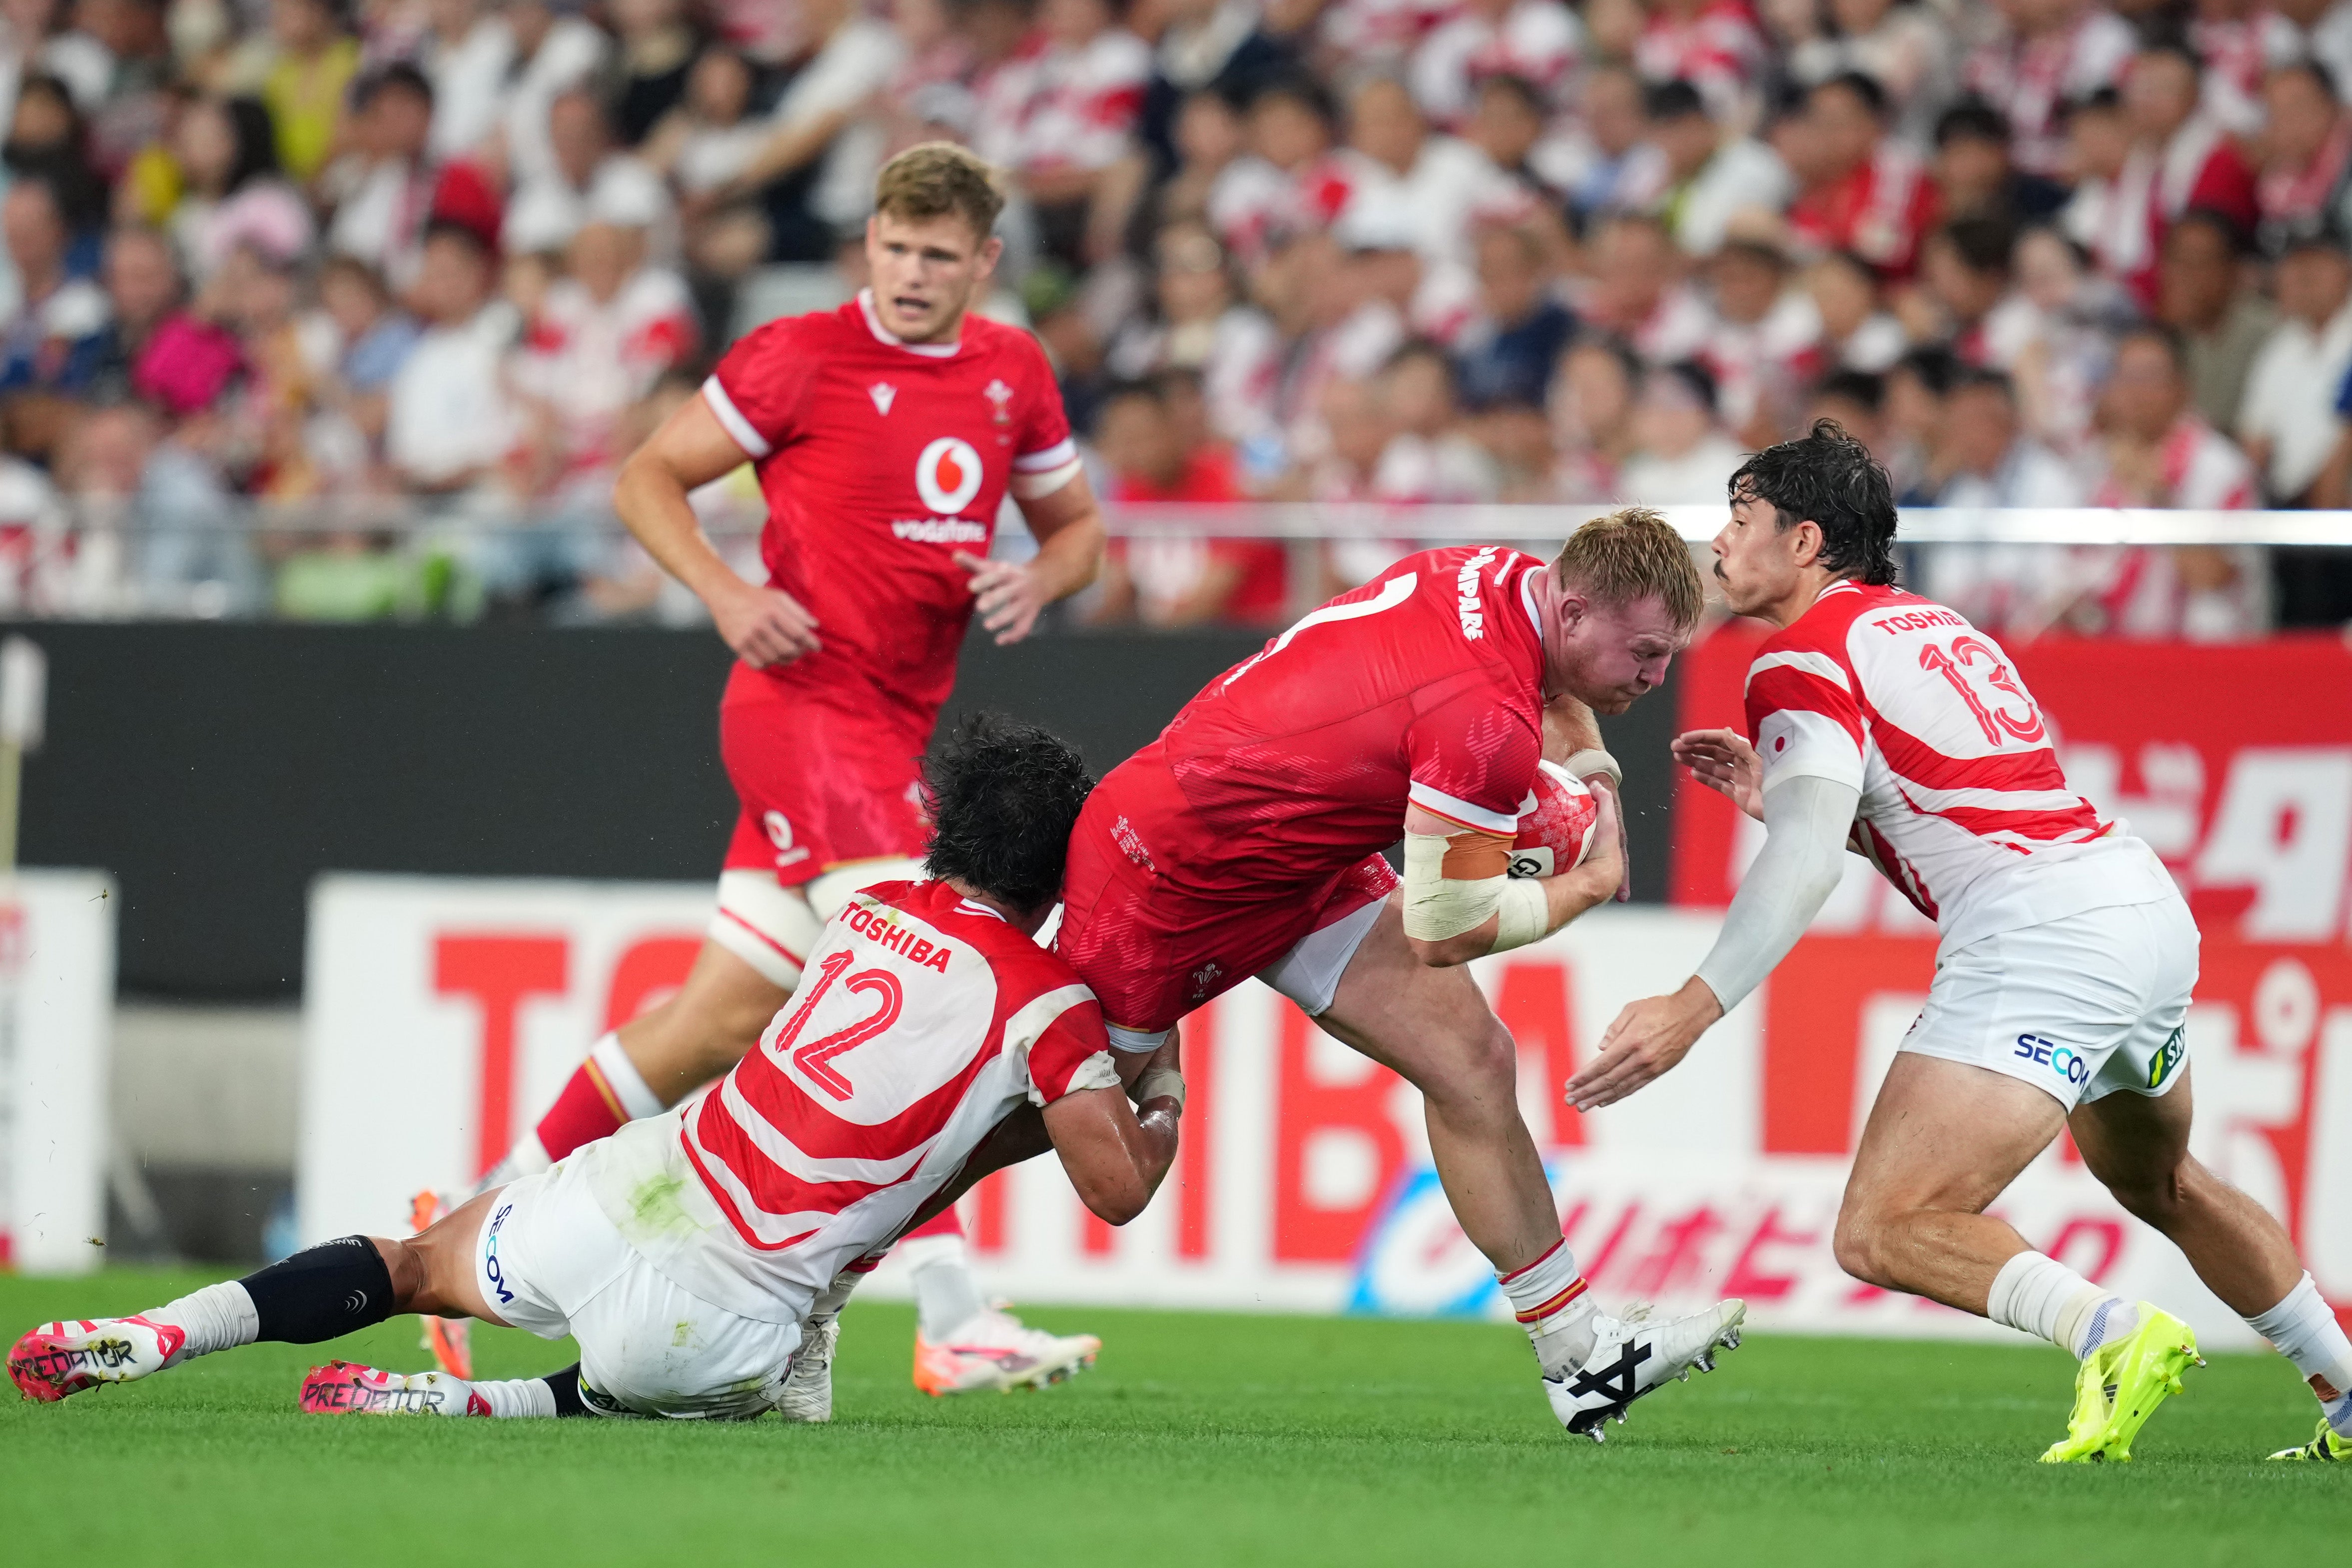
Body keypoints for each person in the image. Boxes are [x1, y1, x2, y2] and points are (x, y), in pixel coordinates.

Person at [433, 142, 1110, 1402]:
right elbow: (646, 476)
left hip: (893, 726)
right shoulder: (799, 355)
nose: (911, 272)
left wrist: (1037, 576)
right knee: (929, 984)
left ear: (982, 262)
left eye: (938, 254)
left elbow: (1079, 532)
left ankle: (466, 1223)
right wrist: (726, 592)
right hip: (801, 707)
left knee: (712, 1024)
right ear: (869, 243)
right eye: (894, 247)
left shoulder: (1011, 371)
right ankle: (953, 1318)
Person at [9, 716, 1186, 1426]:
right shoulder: (1046, 1008)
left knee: (412, 1264)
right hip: (727, 1313)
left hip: (627, 1194)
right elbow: (1115, 1187)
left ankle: (166, 1330)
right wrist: (1160, 1072)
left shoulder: (869, 909)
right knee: (684, 1393)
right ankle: (478, 1403)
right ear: (1059, 868)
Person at [1568, 422, 2352, 1466]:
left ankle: (2109, 1331)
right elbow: (1951, 806)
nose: (1719, 540)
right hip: (2137, 905)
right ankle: (2350, 1395)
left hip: (2043, 935)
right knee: (2161, 1181)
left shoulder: (1798, 656)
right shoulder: (1932, 625)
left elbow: (1804, 863)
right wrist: (1797, 803)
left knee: (1882, 1225)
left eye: (1742, 517)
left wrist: (1691, 1004)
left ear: (1804, 541)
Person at [1049, 508, 1746, 1440]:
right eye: (1647, 653)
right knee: (1066, 1147)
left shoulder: (1502, 577)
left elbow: (1556, 691)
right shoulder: (1484, 719)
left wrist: (1600, 787)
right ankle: (844, 1242)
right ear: (1576, 612)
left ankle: (1580, 1356)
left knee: (1473, 1059)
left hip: (1295, 865)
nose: (1658, 678)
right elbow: (1443, 931)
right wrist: (1586, 881)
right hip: (1169, 872)